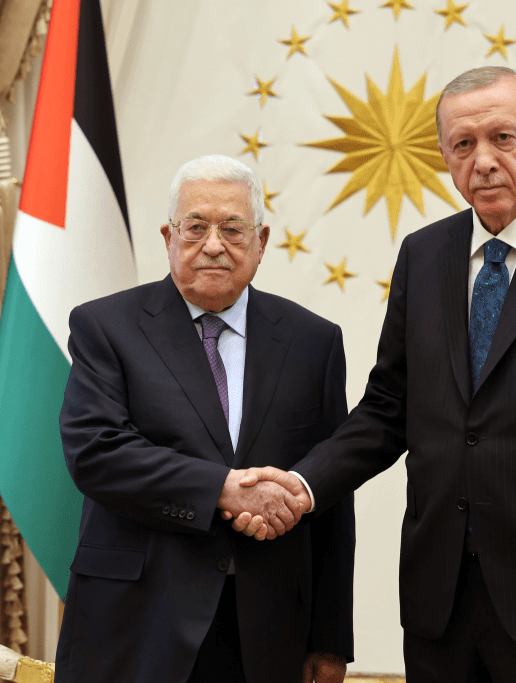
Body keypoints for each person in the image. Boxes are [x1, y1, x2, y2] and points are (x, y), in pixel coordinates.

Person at [233, 67, 516, 682]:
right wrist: (301, 486)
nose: (484, 161)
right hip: (440, 604)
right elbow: (388, 409)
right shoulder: (423, 255)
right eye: (463, 144)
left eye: (503, 138)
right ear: (444, 156)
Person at [54, 155, 354, 683]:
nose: (213, 245)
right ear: (168, 236)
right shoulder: (106, 326)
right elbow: (97, 453)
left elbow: (330, 495)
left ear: (261, 242)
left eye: (233, 229)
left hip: (267, 631)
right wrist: (222, 489)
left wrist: (330, 640)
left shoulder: (314, 341)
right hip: (135, 622)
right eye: (195, 227)